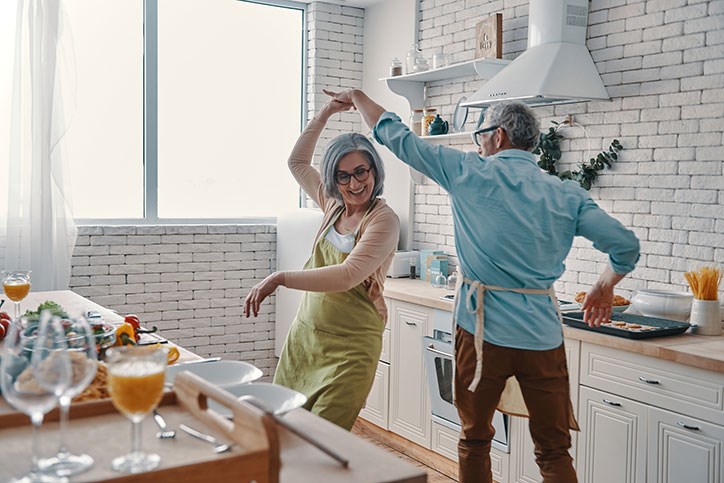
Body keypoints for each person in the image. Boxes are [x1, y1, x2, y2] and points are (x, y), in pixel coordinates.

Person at [323, 88, 640, 482]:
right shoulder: (564, 193)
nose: (479, 142)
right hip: (541, 337)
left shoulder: (467, 171)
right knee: (554, 450)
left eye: (481, 133)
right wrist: (605, 285)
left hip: (480, 334)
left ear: (499, 135)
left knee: (475, 440)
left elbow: (396, 136)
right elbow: (626, 247)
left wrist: (357, 97)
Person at [243, 98, 399, 431]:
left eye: (361, 172)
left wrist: (280, 278)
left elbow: (348, 275)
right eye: (343, 177)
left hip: (351, 350)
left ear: (374, 171)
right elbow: (297, 162)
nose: (354, 184)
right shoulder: (333, 204)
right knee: (283, 430)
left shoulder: (383, 220)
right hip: (305, 340)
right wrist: (325, 113)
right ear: (333, 180)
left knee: (323, 439)